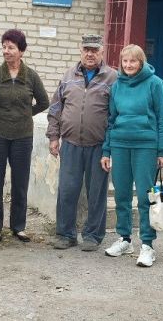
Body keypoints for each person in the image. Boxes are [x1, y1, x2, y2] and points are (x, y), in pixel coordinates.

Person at [100, 44, 163, 267]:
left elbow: (162, 119)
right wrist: (106, 150)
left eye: (133, 61)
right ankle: (125, 239)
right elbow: (111, 120)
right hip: (120, 145)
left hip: (145, 147)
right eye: (125, 61)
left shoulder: (155, 84)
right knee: (121, 194)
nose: (128, 65)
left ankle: (147, 245)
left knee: (144, 196)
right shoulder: (117, 85)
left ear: (141, 62)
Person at [46, 34, 117, 251]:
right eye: (86, 49)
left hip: (99, 146)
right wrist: (53, 137)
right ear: (80, 50)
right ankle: (66, 234)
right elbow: (56, 108)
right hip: (71, 144)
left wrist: (111, 146)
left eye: (94, 50)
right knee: (67, 190)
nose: (90, 53)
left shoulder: (112, 78)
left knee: (96, 192)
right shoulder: (68, 76)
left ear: (102, 52)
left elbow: (116, 114)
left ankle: (93, 236)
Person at [0, 29, 49, 243]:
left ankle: (18, 226)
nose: (6, 51)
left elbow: (44, 102)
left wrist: (24, 114)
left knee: (20, 182)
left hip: (22, 136)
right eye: (4, 47)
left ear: (21, 50)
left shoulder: (30, 76)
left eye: (11, 47)